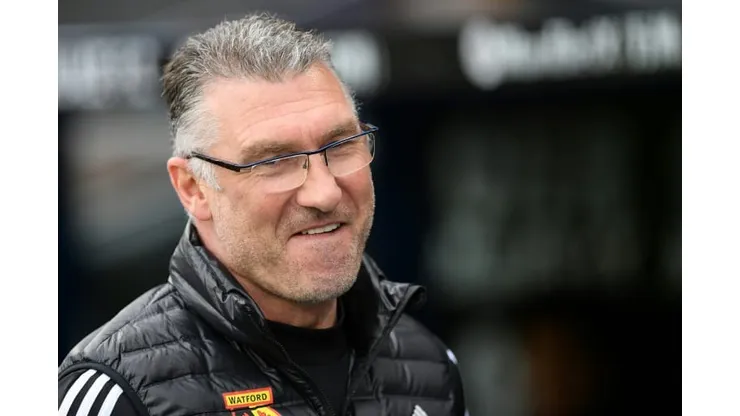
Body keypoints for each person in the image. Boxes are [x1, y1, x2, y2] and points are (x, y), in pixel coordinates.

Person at [58, 13, 467, 416]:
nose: (324, 192)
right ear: (193, 188)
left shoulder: (428, 366)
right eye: (274, 162)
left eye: (341, 145)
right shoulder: (121, 392)